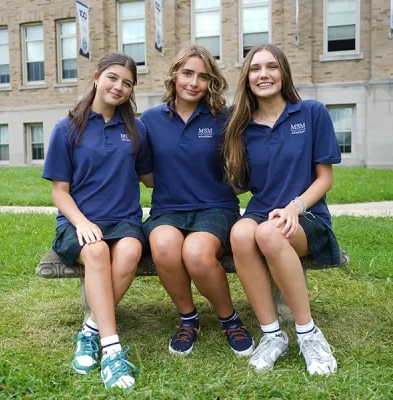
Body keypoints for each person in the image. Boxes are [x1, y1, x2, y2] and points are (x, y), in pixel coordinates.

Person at [223, 44, 341, 375]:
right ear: (247, 79)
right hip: (261, 212)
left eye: (272, 67)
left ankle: (308, 334)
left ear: (283, 73)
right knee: (241, 233)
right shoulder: (241, 127)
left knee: (268, 233)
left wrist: (294, 207)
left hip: (307, 214)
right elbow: (240, 184)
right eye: (256, 69)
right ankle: (272, 335)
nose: (264, 75)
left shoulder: (311, 112)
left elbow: (325, 178)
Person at [42, 52, 153, 391]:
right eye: (113, 78)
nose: (119, 87)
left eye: (127, 83)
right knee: (95, 252)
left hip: (124, 221)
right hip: (78, 223)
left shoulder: (136, 129)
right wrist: (81, 223)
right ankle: (112, 349)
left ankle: (88, 331)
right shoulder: (67, 129)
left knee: (132, 251)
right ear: (96, 77)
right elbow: (60, 192)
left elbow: (150, 179)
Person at [140, 44, 254, 357]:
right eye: (187, 73)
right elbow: (146, 175)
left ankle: (229, 319)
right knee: (163, 246)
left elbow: (244, 169)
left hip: (215, 208)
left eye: (202, 76)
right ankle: (188, 319)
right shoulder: (150, 120)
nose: (193, 82)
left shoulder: (224, 118)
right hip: (168, 210)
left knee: (197, 253)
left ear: (210, 83)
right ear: (175, 75)